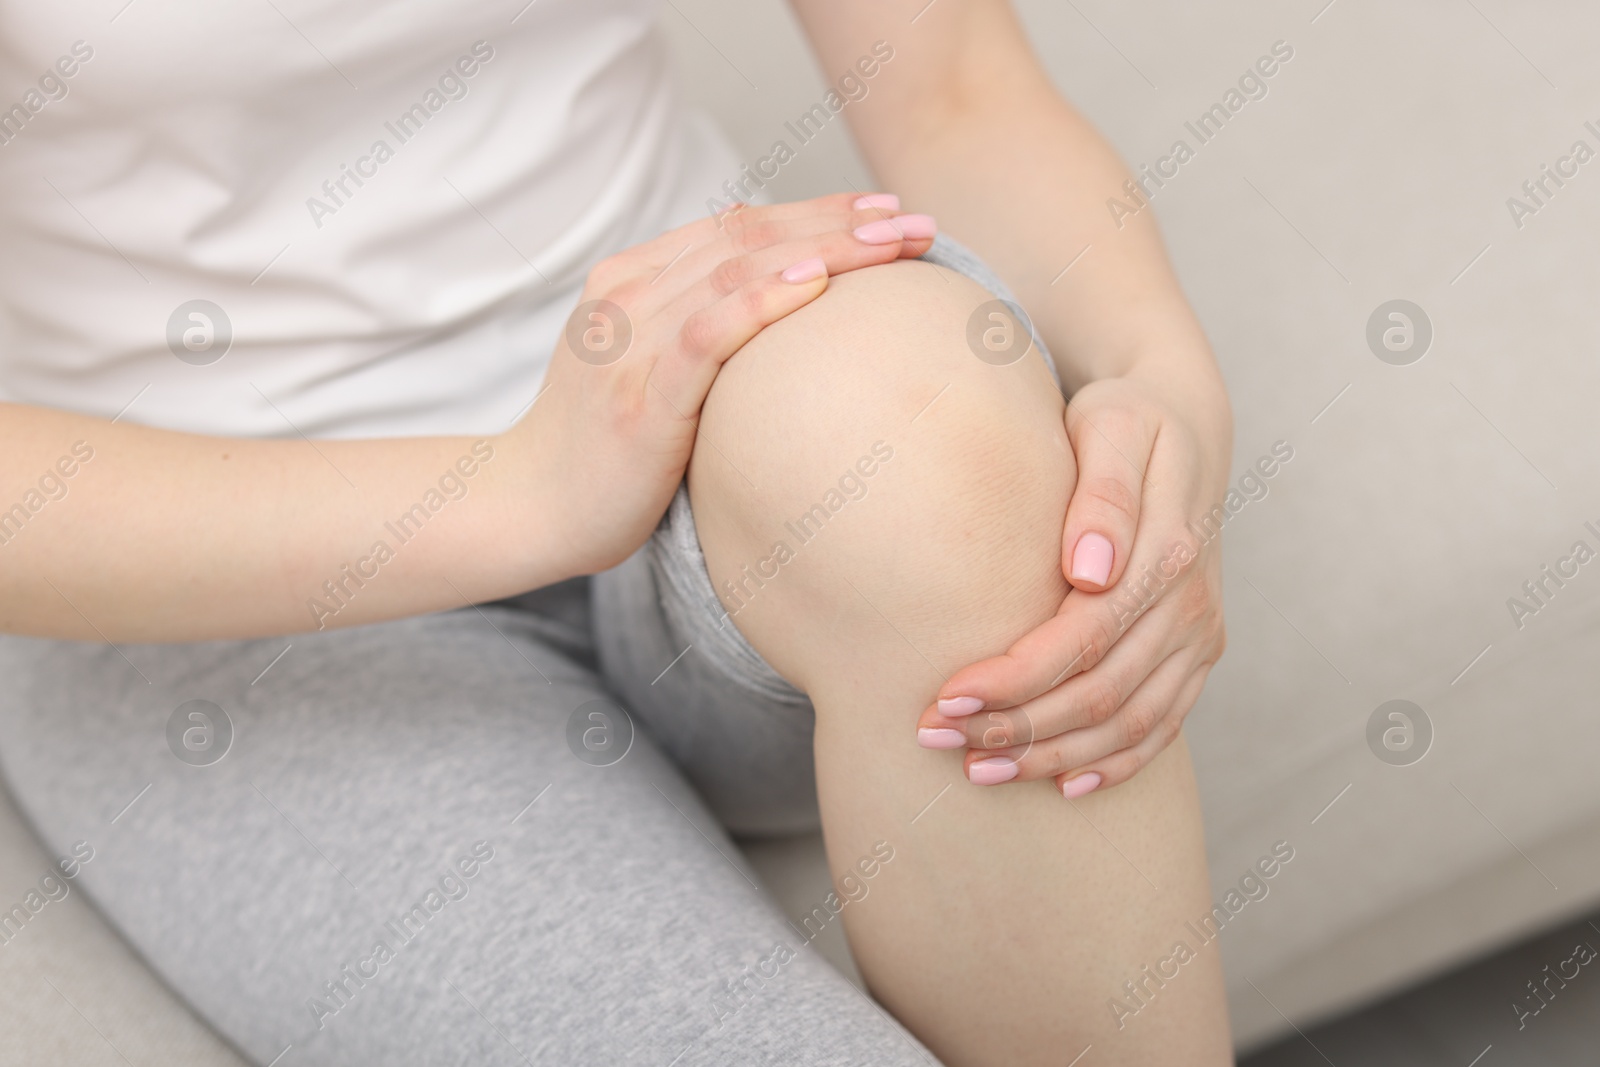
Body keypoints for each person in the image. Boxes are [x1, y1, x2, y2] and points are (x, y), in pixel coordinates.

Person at [0, 1, 1232, 1063]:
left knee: (912, 419)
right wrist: (523, 490)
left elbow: (950, 75)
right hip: (212, 586)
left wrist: (1155, 374)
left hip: (700, 402)